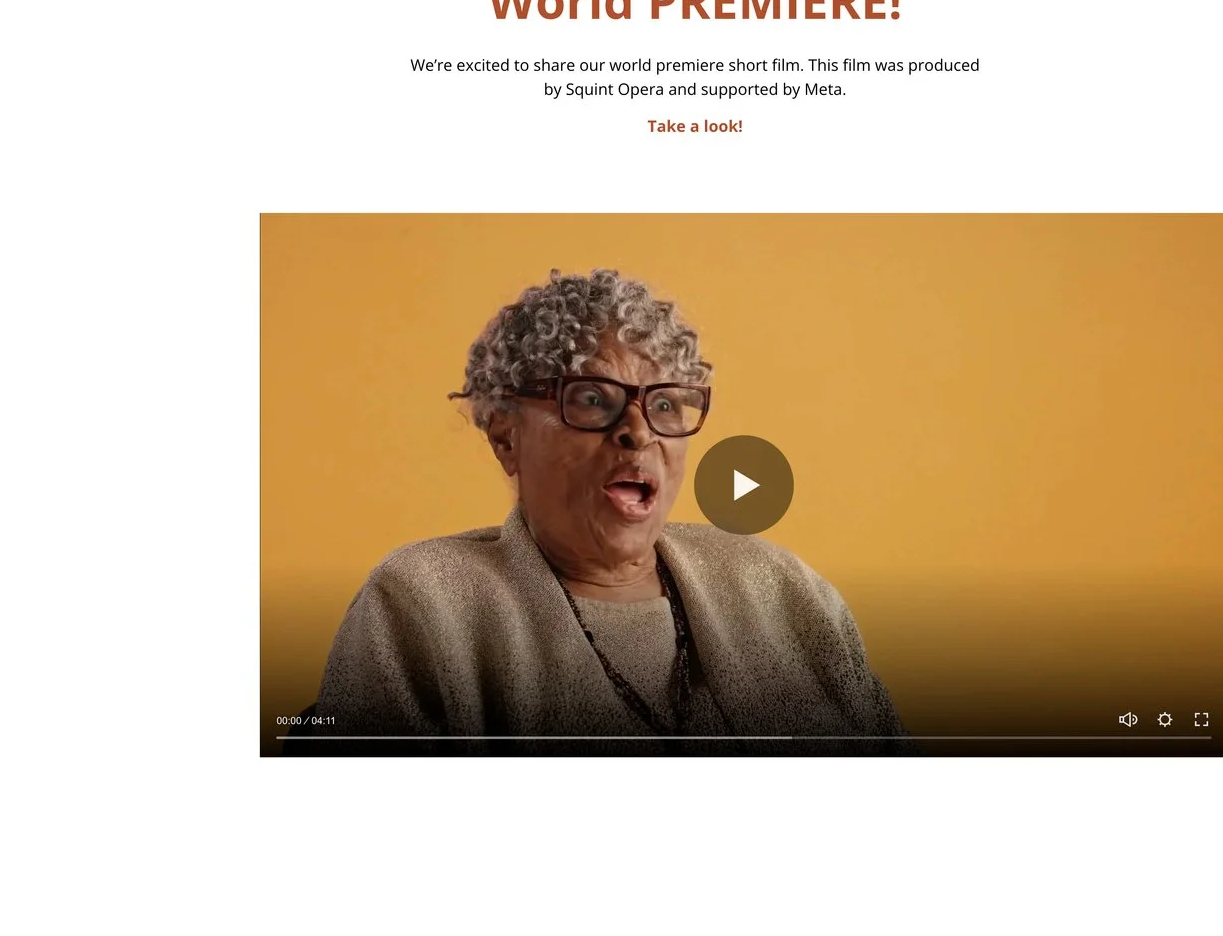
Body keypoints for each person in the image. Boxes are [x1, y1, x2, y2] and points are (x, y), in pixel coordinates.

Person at [310, 268, 900, 745]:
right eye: (593, 399)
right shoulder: (423, 604)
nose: (638, 431)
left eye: (666, 405)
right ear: (505, 437)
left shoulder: (781, 589)